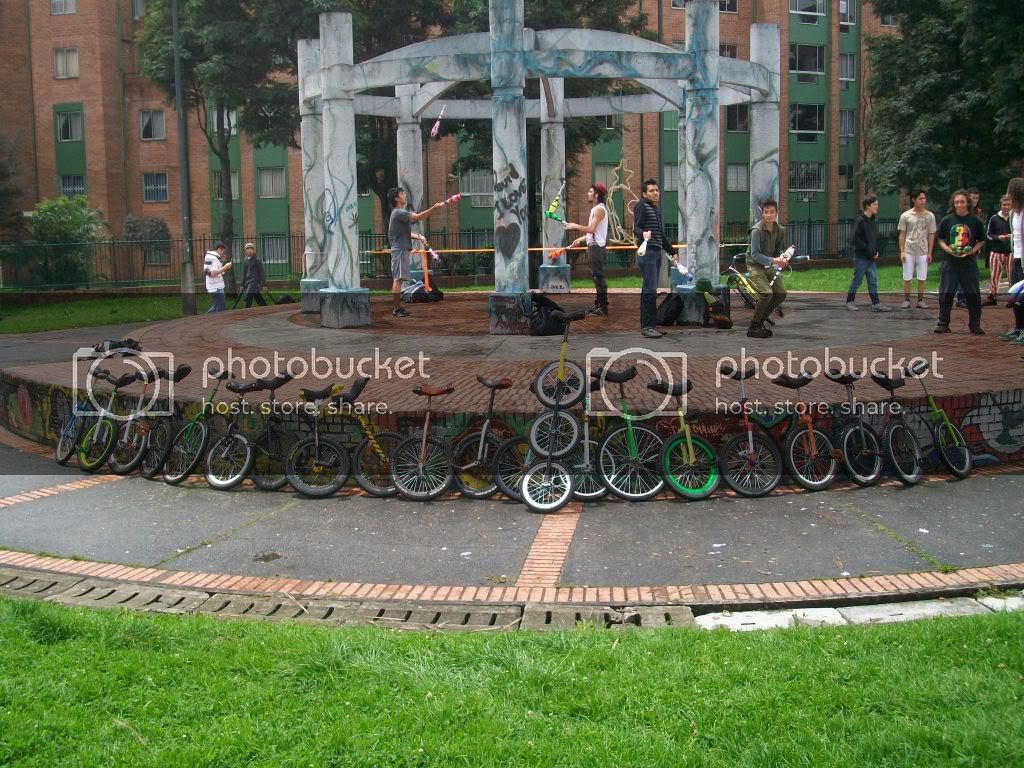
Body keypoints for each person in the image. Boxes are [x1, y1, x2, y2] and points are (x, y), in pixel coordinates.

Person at [387, 187, 443, 318]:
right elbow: (418, 217)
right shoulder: (399, 212)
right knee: (398, 279)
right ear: (396, 198)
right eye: (402, 194)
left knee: (399, 279)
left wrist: (419, 236)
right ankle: (397, 309)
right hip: (399, 250)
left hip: (401, 250)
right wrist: (434, 208)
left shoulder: (398, 213)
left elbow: (405, 233)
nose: (405, 196)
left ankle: (398, 308)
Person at [935, 190, 985, 334]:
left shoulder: (975, 221)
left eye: (962, 202)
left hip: (968, 265)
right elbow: (940, 239)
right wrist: (948, 249)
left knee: (973, 295)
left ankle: (975, 324)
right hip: (949, 265)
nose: (959, 205)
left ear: (967, 203)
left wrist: (972, 250)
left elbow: (981, 240)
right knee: (946, 295)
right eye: (957, 202)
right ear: (953, 203)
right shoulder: (947, 220)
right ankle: (943, 323)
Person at [632, 179, 677, 338]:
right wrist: (643, 233)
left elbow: (661, 236)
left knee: (651, 289)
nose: (656, 193)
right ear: (644, 194)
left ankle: (651, 325)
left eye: (657, 190)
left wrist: (673, 252)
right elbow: (636, 228)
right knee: (649, 290)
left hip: (656, 252)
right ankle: (647, 327)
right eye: (652, 191)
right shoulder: (642, 206)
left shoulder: (654, 209)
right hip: (648, 253)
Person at [745, 199, 792, 338]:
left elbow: (777, 251)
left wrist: (782, 259)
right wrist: (774, 260)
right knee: (767, 293)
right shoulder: (756, 230)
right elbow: (755, 255)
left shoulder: (780, 230)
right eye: (766, 212)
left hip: (768, 264)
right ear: (762, 214)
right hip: (755, 264)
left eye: (772, 212)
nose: (769, 215)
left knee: (781, 293)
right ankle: (753, 326)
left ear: (776, 213)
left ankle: (761, 320)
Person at [564, 183, 609, 316]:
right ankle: (600, 305)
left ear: (597, 195)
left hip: (596, 248)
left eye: (590, 192)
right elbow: (593, 232)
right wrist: (580, 240)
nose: (588, 194)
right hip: (594, 247)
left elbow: (591, 229)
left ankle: (602, 307)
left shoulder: (599, 209)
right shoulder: (596, 209)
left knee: (598, 277)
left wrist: (575, 225)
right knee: (596, 277)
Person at [845, 196, 892, 312]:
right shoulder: (860, 220)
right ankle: (849, 302)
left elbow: (872, 239)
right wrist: (869, 251)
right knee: (857, 280)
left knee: (873, 281)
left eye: (877, 204)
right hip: (861, 257)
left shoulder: (872, 220)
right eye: (875, 204)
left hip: (871, 258)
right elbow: (853, 239)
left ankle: (876, 303)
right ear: (867, 206)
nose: (877, 206)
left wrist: (875, 251)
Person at [897, 190, 936, 308]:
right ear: (914, 200)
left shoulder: (930, 216)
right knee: (907, 277)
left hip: (923, 250)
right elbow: (902, 234)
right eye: (920, 198)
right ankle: (907, 300)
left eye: (924, 198)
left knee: (922, 277)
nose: (922, 201)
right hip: (909, 249)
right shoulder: (906, 215)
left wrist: (930, 252)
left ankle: (920, 300)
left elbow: (931, 234)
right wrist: (902, 252)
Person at [999, 178, 1024, 342]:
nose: (1007, 195)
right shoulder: (1014, 212)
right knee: (1014, 296)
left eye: (1009, 191)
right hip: (1016, 259)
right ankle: (1019, 327)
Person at [984, 196, 1013, 306]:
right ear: (1000, 205)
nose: (1006, 207)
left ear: (1012, 206)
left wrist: (1012, 236)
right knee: (994, 275)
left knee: (1012, 276)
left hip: (1011, 251)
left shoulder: (1014, 217)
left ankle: (1012, 298)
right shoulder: (994, 218)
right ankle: (992, 296)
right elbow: (988, 235)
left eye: (1008, 205)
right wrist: (998, 237)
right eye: (1004, 205)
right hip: (996, 251)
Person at [203, 242, 232, 313]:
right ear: (220, 249)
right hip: (216, 287)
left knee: (217, 305)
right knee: (220, 307)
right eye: (223, 251)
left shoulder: (210, 257)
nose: (223, 253)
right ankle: (214, 319)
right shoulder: (214, 258)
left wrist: (221, 261)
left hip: (214, 286)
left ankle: (206, 318)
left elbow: (208, 272)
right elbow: (212, 274)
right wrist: (225, 267)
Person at [239, 242, 267, 308]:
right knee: (258, 298)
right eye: (248, 248)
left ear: (254, 250)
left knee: (248, 298)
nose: (250, 250)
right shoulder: (245, 260)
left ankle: (246, 312)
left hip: (254, 282)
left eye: (251, 248)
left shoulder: (257, 260)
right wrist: (242, 285)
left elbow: (262, 272)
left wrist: (264, 284)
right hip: (248, 282)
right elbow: (244, 273)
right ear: (245, 251)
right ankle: (266, 309)